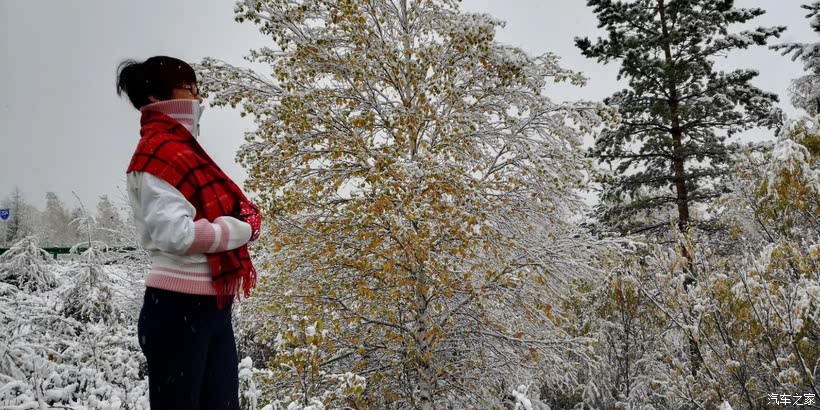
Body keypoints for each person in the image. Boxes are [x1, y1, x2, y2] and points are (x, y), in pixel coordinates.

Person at [116, 56, 263, 409]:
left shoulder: (185, 152)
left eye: (199, 89)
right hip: (177, 306)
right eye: (190, 88)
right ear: (155, 97)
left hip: (212, 305)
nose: (198, 98)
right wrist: (239, 229)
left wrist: (241, 219)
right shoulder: (157, 153)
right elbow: (175, 234)